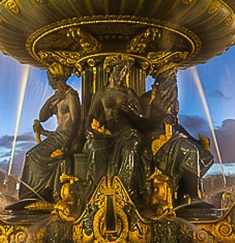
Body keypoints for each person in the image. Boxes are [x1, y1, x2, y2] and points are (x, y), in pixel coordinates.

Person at [140, 67, 213, 203]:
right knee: (192, 153)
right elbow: (142, 123)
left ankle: (183, 188)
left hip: (173, 136)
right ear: (160, 79)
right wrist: (160, 120)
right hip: (157, 138)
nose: (172, 80)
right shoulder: (149, 98)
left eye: (173, 77)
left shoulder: (173, 100)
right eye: (169, 77)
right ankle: (193, 195)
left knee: (207, 157)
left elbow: (177, 126)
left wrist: (195, 140)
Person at [83, 55, 149, 199]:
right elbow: (90, 116)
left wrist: (131, 112)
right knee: (94, 148)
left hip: (127, 132)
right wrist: (89, 129)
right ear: (110, 70)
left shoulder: (129, 93)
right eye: (119, 69)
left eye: (124, 71)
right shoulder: (101, 93)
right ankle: (97, 191)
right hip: (106, 133)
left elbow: (142, 119)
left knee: (130, 148)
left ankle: (124, 191)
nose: (121, 74)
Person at [18, 65, 81, 201]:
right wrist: (51, 100)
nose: (48, 82)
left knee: (32, 156)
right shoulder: (58, 99)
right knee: (32, 155)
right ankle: (41, 192)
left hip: (66, 137)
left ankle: (32, 195)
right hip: (58, 136)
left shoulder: (71, 95)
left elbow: (76, 121)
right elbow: (42, 117)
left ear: (55, 78)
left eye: (49, 79)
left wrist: (68, 145)